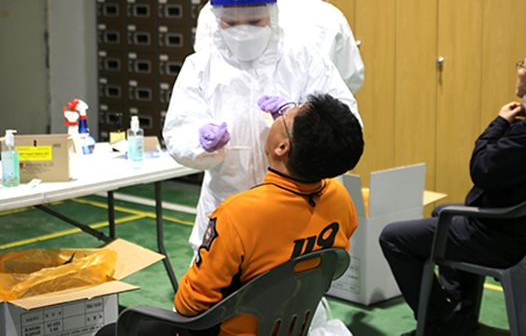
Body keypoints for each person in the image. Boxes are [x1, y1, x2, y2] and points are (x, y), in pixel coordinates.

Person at [379, 42, 526, 336]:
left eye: (523, 65)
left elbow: (481, 169)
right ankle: (461, 312)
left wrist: (499, 123)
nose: (519, 70)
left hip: (502, 237)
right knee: (442, 212)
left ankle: (440, 320)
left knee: (394, 237)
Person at [97, 93, 364, 336]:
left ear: (282, 147)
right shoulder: (340, 198)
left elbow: (190, 304)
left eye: (285, 115)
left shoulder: (238, 214)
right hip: (293, 325)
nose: (280, 114)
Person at [163, 0, 362, 255]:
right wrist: (200, 140)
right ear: (217, 20)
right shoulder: (200, 68)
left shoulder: (303, 59)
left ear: (273, 14)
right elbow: (178, 130)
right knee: (220, 290)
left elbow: (345, 123)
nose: (243, 32)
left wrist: (300, 119)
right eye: (231, 23)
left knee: (292, 289)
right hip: (227, 203)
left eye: (255, 21)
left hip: (295, 205)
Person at [278, 0, 365, 94]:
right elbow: (352, 74)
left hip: (276, 108)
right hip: (321, 107)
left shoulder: (274, 10)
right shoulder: (332, 15)